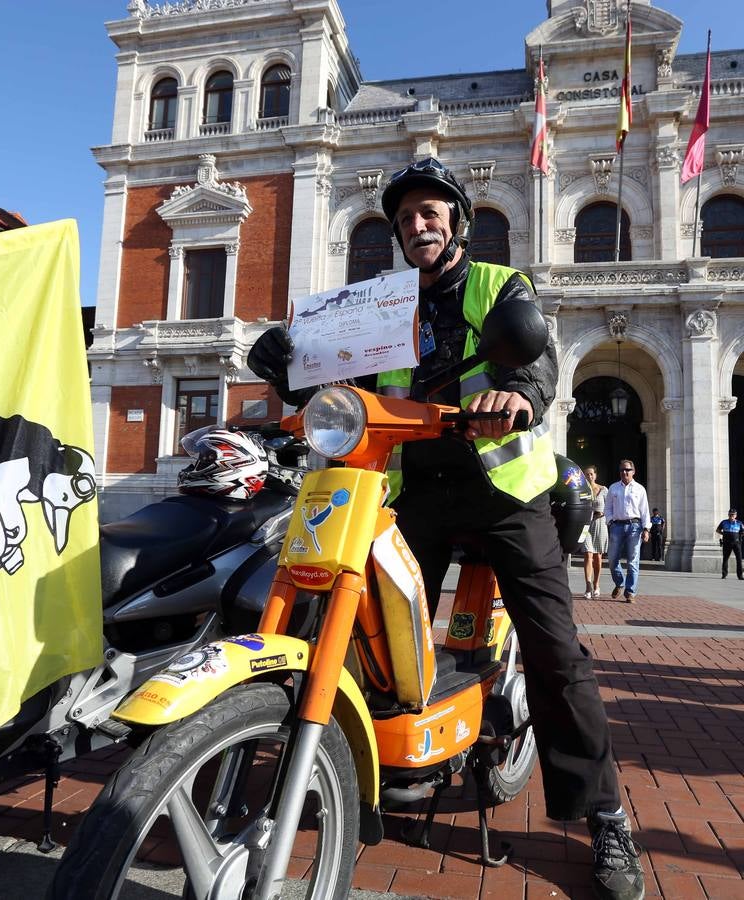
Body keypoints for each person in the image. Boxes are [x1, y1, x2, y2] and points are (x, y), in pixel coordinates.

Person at [247, 157, 643, 900]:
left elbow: (540, 362)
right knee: (362, 627)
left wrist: (518, 395)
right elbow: (341, 382)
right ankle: (369, 760)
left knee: (558, 653)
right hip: (413, 487)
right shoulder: (378, 306)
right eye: (404, 220)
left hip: (502, 489)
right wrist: (286, 367)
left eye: (430, 214)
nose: (416, 226)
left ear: (456, 221)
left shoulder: (501, 287)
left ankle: (607, 814)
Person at [604, 460, 651, 602]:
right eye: (622, 470)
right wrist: (610, 521)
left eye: (628, 470)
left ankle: (630, 592)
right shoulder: (613, 488)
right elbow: (607, 508)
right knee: (612, 559)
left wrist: (646, 528)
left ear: (633, 471)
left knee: (633, 561)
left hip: (634, 527)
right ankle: (619, 582)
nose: (624, 472)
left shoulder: (639, 489)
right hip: (617, 526)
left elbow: (645, 510)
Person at [581, 465, 609, 598]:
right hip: (587, 524)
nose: (589, 476)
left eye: (591, 474)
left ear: (595, 475)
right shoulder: (581, 490)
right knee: (588, 554)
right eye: (586, 474)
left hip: (600, 523)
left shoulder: (604, 490)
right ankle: (588, 585)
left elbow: (610, 507)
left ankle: (596, 584)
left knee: (598, 557)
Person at [716, 508, 743, 580]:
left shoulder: (739, 523)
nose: (731, 516)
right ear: (728, 515)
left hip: (736, 543)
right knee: (725, 558)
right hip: (727, 543)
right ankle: (724, 574)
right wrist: (723, 534)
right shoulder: (724, 522)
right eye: (730, 514)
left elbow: (742, 532)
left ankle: (740, 576)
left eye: (733, 515)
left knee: (739, 559)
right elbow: (717, 530)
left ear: (736, 515)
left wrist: (739, 538)